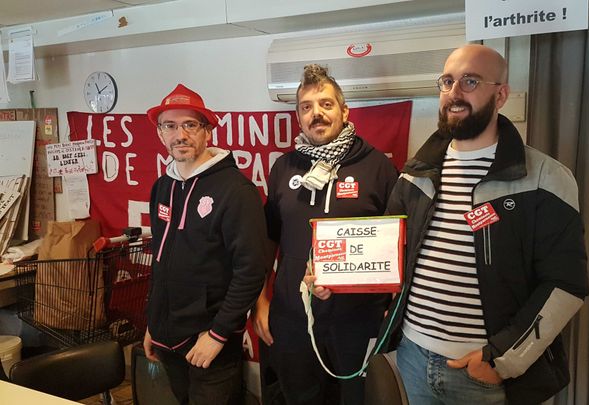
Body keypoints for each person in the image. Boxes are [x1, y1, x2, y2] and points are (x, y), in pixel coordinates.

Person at [373, 44, 589, 405]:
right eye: (447, 81)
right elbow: (385, 254)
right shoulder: (415, 175)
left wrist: (501, 361)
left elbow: (566, 284)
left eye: (470, 81)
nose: (454, 93)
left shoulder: (546, 179)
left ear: (500, 94)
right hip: (412, 358)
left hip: (484, 375)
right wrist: (335, 278)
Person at [251, 64, 398, 405]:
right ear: (299, 116)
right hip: (293, 320)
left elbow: (398, 243)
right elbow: (266, 242)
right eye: (306, 107)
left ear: (344, 111)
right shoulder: (283, 168)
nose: (316, 113)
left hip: (359, 321)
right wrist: (259, 304)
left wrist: (393, 307)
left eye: (326, 104)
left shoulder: (378, 167)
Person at [142, 84, 267, 405]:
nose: (179, 134)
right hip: (166, 337)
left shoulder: (236, 191)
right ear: (160, 133)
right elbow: (161, 259)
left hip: (209, 342)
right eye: (170, 126)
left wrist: (218, 335)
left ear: (207, 132)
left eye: (190, 125)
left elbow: (251, 271)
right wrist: (153, 323)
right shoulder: (162, 186)